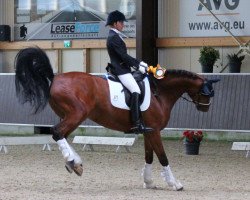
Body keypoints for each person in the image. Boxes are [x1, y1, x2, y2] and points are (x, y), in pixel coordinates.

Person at [106, 10, 153, 134]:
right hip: (121, 70)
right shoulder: (113, 37)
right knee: (135, 90)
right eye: (121, 22)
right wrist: (138, 65)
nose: (123, 25)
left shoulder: (115, 36)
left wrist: (138, 64)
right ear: (115, 23)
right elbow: (123, 56)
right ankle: (136, 123)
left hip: (123, 68)